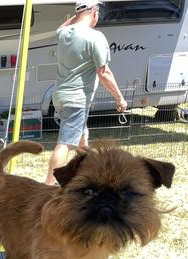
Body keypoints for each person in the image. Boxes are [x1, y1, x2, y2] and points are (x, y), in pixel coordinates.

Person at [45, 0, 127, 185]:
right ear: (95, 12)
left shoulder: (64, 33)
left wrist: (80, 14)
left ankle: (89, 175)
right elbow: (103, 72)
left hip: (59, 96)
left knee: (82, 141)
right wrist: (119, 98)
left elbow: (61, 27)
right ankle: (48, 186)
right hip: (77, 99)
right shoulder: (95, 37)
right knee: (65, 143)